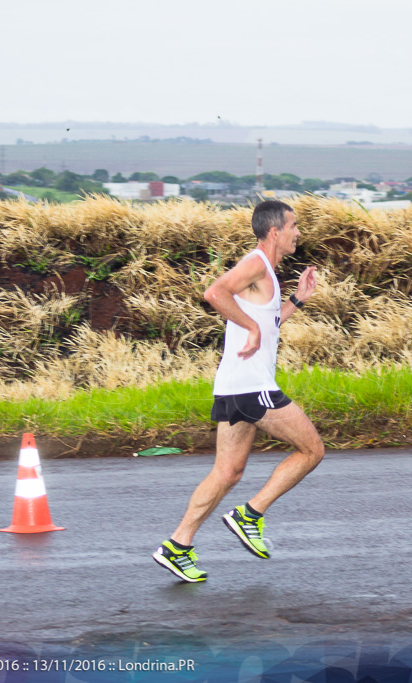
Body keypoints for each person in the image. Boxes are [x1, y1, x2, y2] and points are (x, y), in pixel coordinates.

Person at [152, 200, 325, 582]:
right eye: (294, 225)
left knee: (227, 471)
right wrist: (252, 328)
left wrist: (297, 299)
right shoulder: (257, 263)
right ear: (275, 231)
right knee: (312, 449)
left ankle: (177, 546)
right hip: (253, 385)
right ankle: (251, 514)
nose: (299, 232)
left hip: (233, 385)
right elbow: (215, 293)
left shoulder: (269, 274)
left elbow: (270, 321)